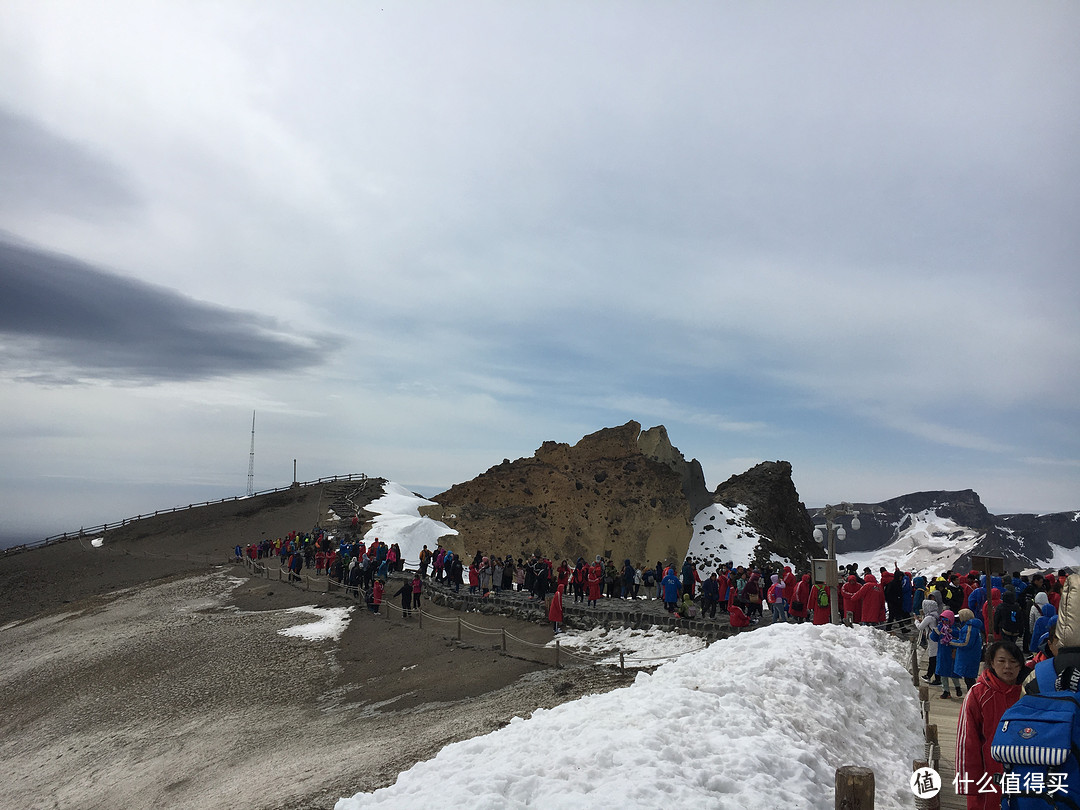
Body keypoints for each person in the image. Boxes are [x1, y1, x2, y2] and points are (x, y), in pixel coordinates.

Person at [955, 640, 1024, 809]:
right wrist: (968, 783)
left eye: (1013, 661)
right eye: (1001, 661)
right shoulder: (978, 693)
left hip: (1022, 773)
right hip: (988, 773)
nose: (1007, 666)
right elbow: (967, 741)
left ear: (1021, 665)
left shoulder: (1026, 693)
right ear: (992, 663)